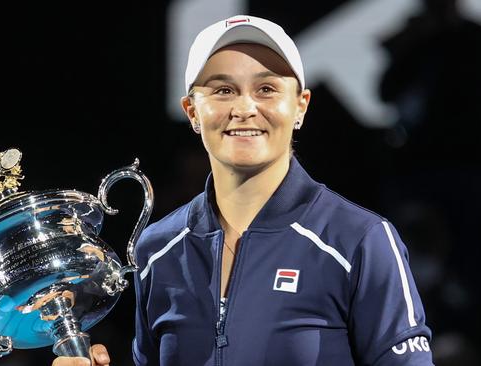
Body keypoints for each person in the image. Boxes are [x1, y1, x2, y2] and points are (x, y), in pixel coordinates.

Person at [53, 14, 433, 365]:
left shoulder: (359, 240)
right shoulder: (158, 249)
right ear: (192, 112)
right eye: (222, 91)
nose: (245, 108)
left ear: (300, 106)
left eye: (266, 88)